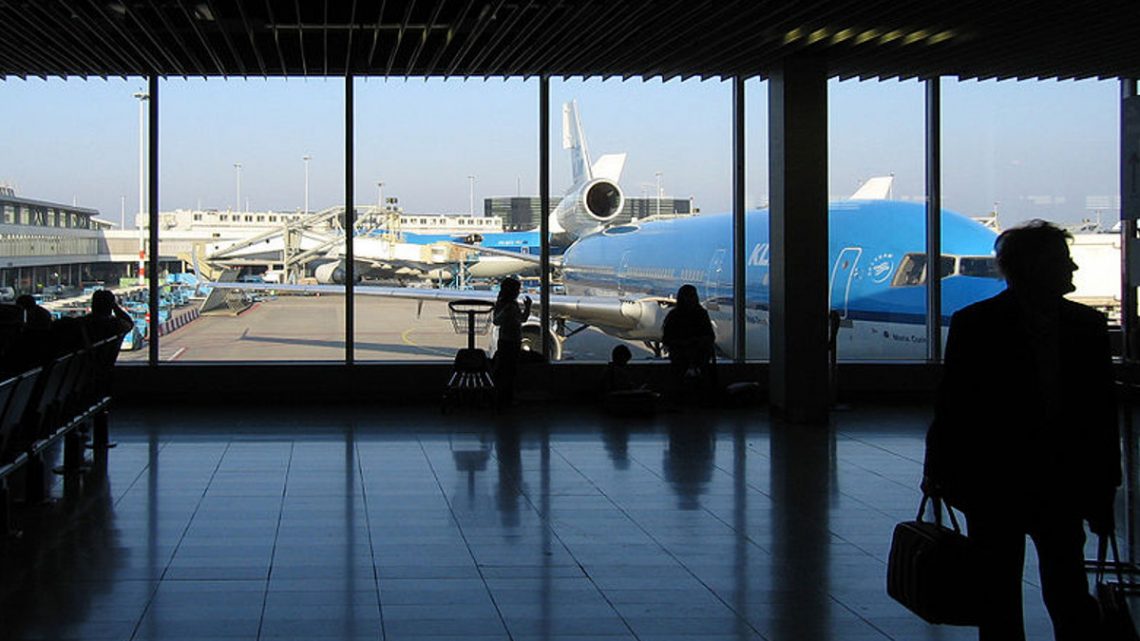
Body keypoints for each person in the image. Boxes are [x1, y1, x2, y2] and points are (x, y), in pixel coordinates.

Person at [924, 220, 1119, 641]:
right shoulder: (981, 324)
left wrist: (1104, 486)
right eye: (1063, 261)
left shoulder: (1082, 326)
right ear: (1034, 267)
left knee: (1050, 592)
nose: (1073, 269)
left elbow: (952, 408)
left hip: (1046, 481)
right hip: (1003, 482)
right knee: (1020, 593)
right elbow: (955, 406)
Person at [661, 284, 716, 382]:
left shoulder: (674, 315)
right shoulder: (701, 314)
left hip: (682, 359)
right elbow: (710, 336)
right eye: (689, 296)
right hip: (696, 360)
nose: (691, 299)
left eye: (692, 295)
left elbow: (666, 339)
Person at [492, 276, 531, 408]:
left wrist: (528, 307)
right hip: (508, 342)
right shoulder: (506, 305)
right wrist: (506, 311)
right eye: (517, 290)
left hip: (511, 341)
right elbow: (496, 321)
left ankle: (505, 398)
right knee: (507, 371)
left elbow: (522, 319)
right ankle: (504, 399)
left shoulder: (510, 304)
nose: (518, 292)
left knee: (508, 371)